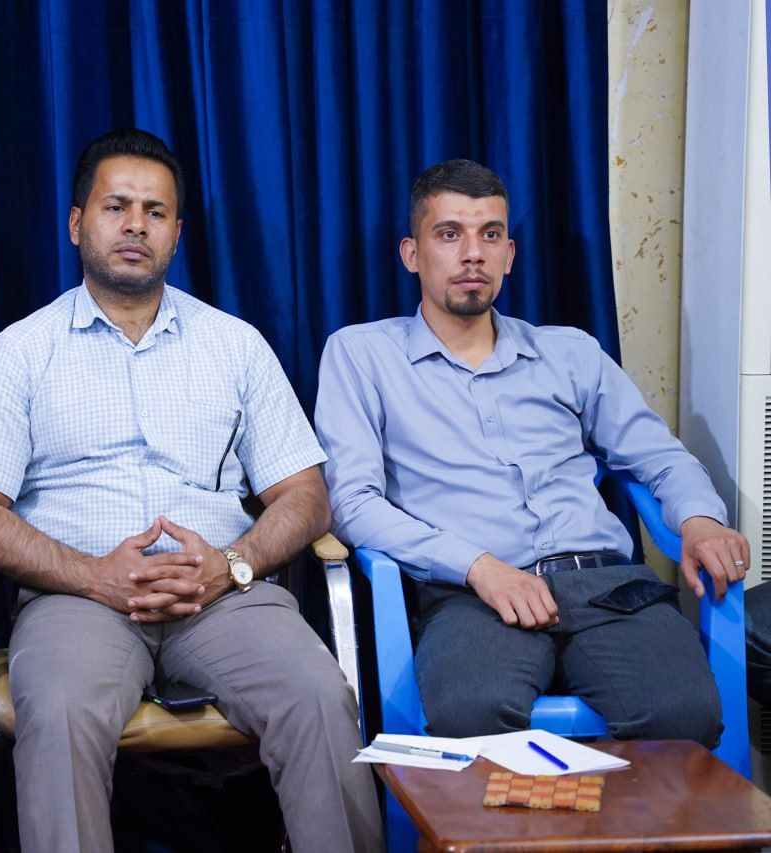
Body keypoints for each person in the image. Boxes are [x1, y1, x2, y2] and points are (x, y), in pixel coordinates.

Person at [0, 129, 382, 853]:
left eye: (155, 211)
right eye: (116, 206)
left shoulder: (235, 345)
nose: (136, 225)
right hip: (77, 600)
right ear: (78, 223)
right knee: (60, 709)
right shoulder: (22, 351)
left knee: (317, 693)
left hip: (224, 597)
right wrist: (93, 575)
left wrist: (231, 564)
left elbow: (306, 494)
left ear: (177, 232)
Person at [315, 158, 750, 744]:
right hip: (473, 594)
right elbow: (352, 502)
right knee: (469, 714)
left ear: (510, 254)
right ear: (412, 254)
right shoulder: (362, 355)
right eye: (450, 234)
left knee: (684, 715)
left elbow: (659, 458)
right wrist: (478, 566)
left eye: (490, 235)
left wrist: (700, 520)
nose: (473, 254)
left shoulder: (570, 352)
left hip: (605, 586)